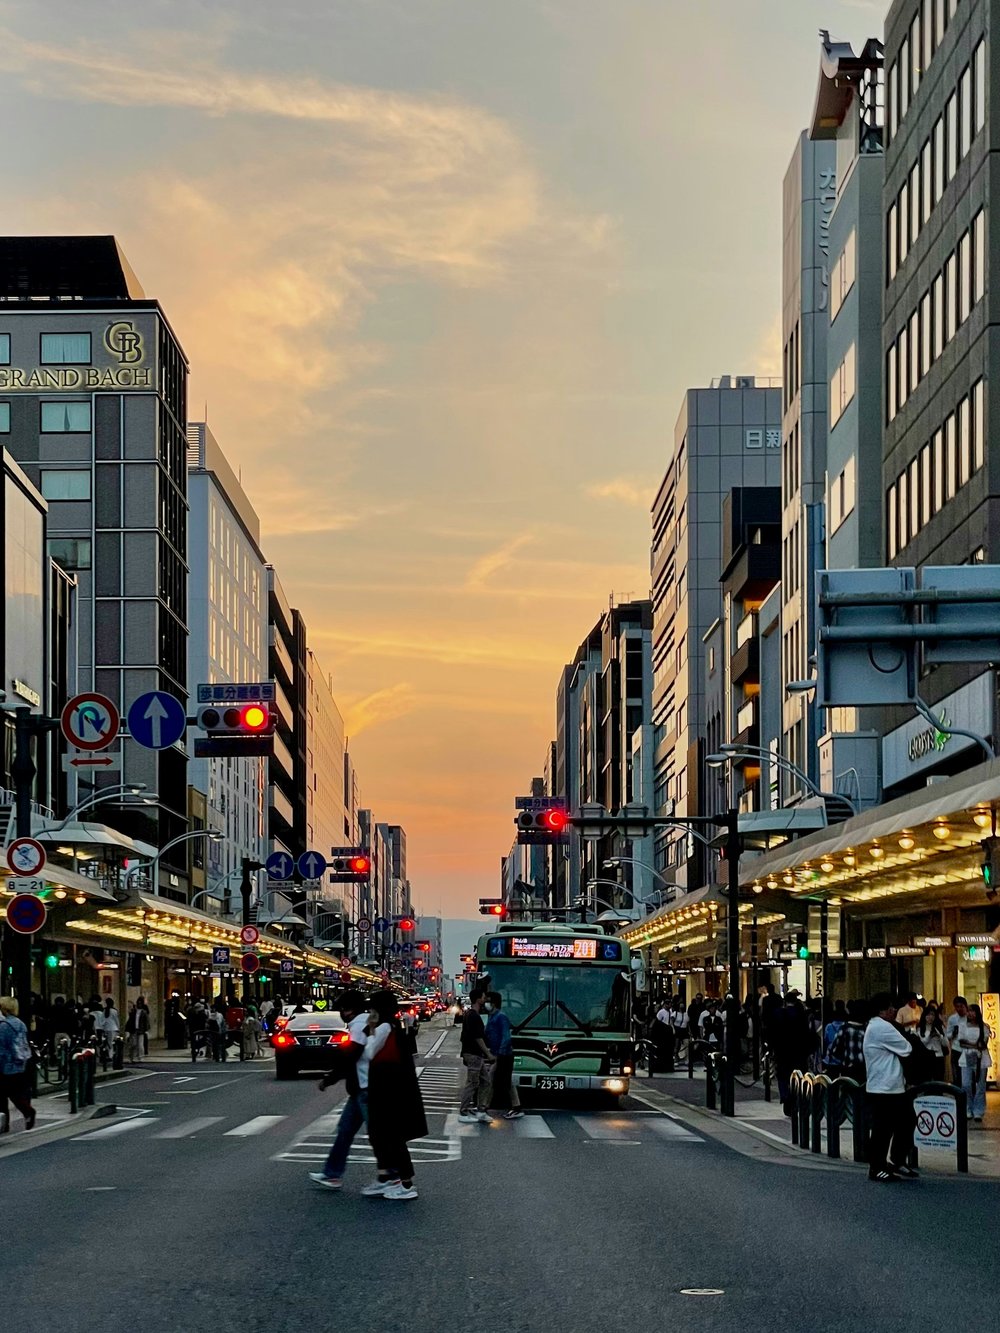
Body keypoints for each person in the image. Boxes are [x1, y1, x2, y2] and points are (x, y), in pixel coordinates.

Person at [360, 991, 428, 1200]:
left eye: (372, 1008)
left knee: (392, 1136)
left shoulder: (384, 1027)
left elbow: (369, 1052)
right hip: (390, 1088)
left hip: (388, 1090)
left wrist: (370, 1028)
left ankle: (405, 1184)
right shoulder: (393, 1026)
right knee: (385, 1134)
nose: (370, 1012)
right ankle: (392, 1179)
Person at [309, 990, 371, 1190]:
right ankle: (332, 1174)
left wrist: (330, 1078)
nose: (340, 1014)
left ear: (349, 1010)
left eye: (341, 1010)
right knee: (345, 1131)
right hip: (359, 1089)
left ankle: (394, 1176)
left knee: (379, 1135)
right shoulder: (362, 1023)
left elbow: (351, 1056)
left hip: (367, 1088)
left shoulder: (360, 1025)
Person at [863, 993, 917, 1183]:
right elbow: (906, 1048)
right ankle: (877, 1167)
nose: (894, 1010)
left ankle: (895, 1160)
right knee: (883, 1129)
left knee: (906, 1121)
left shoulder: (878, 1026)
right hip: (884, 1087)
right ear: (882, 1010)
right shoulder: (881, 1027)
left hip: (891, 1085)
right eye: (891, 1008)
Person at [768, 991, 811, 1112]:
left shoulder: (777, 1014)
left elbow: (772, 1033)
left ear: (785, 1002)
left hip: (781, 1050)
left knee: (782, 1075)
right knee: (798, 1074)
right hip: (798, 1051)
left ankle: (785, 1096)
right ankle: (797, 1097)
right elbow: (806, 1033)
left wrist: (772, 1048)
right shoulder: (801, 1014)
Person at [458, 990, 495, 1124]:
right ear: (478, 999)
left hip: (473, 1054)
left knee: (485, 1081)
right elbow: (478, 1037)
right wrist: (488, 1053)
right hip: (474, 1054)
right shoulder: (474, 1016)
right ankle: (463, 1111)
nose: (485, 999)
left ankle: (481, 1110)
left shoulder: (469, 1014)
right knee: (472, 1083)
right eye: (483, 996)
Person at [484, 991, 523, 1119]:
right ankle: (486, 1106)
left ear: (494, 1003)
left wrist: (500, 1052)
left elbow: (506, 1037)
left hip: (504, 1055)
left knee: (495, 1079)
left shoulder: (501, 1017)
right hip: (497, 1053)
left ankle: (485, 1106)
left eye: (488, 1001)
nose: (486, 1003)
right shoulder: (492, 1016)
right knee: (500, 1080)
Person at [0, 996, 36, 1133]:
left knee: (2, 1096)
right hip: (20, 1063)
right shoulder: (21, 1024)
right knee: (14, 1094)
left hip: (6, 1065)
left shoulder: (4, 1026)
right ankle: (27, 1111)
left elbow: (2, 1048)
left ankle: (5, 1123)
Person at [958, 1001, 992, 1123]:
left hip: (980, 1058)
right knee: (966, 1084)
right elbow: (961, 1042)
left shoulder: (984, 1027)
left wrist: (974, 1046)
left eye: (973, 1011)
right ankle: (968, 1108)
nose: (971, 1014)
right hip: (966, 1056)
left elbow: (983, 1044)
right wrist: (973, 1045)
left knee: (980, 1085)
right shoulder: (963, 1026)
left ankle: (978, 1111)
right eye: (969, 1011)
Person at [916, 1003, 949, 1083]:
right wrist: (930, 1036)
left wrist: (939, 1036)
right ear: (924, 1016)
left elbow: (946, 1043)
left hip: (938, 1056)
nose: (930, 1017)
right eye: (928, 1015)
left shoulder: (939, 1027)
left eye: (933, 1015)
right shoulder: (920, 1028)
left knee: (938, 1080)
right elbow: (922, 1043)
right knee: (926, 1080)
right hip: (926, 1057)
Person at [946, 996, 970, 1085]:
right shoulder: (952, 1019)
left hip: (968, 1049)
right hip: (956, 1049)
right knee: (957, 1074)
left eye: (961, 1006)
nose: (959, 1009)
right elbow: (947, 1035)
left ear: (965, 1006)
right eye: (957, 1007)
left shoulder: (970, 1017)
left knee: (968, 1075)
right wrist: (953, 1033)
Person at [823, 1000, 849, 1074]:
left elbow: (826, 1040)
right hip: (844, 1058)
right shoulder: (847, 1026)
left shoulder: (829, 1026)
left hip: (831, 1057)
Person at [652, 998, 676, 1073]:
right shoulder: (661, 1012)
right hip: (662, 1031)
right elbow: (658, 1022)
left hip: (668, 1031)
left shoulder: (670, 1011)